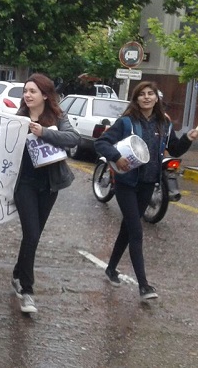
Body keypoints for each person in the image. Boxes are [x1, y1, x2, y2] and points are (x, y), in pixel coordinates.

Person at [95, 81, 197, 301]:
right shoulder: (126, 122)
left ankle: (111, 268)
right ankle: (144, 285)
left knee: (128, 228)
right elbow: (102, 143)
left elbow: (175, 149)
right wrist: (116, 157)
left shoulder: (164, 124)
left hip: (149, 184)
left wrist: (189, 138)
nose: (147, 97)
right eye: (142, 94)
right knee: (136, 231)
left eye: (151, 94)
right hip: (126, 183)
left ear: (157, 98)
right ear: (136, 99)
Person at [11, 73, 79, 314]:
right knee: (31, 233)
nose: (27, 95)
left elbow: (73, 139)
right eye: (25, 91)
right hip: (25, 185)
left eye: (33, 91)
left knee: (34, 235)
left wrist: (44, 132)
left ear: (45, 95)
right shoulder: (17, 118)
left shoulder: (58, 117)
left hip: (49, 185)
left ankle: (18, 273)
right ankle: (27, 291)